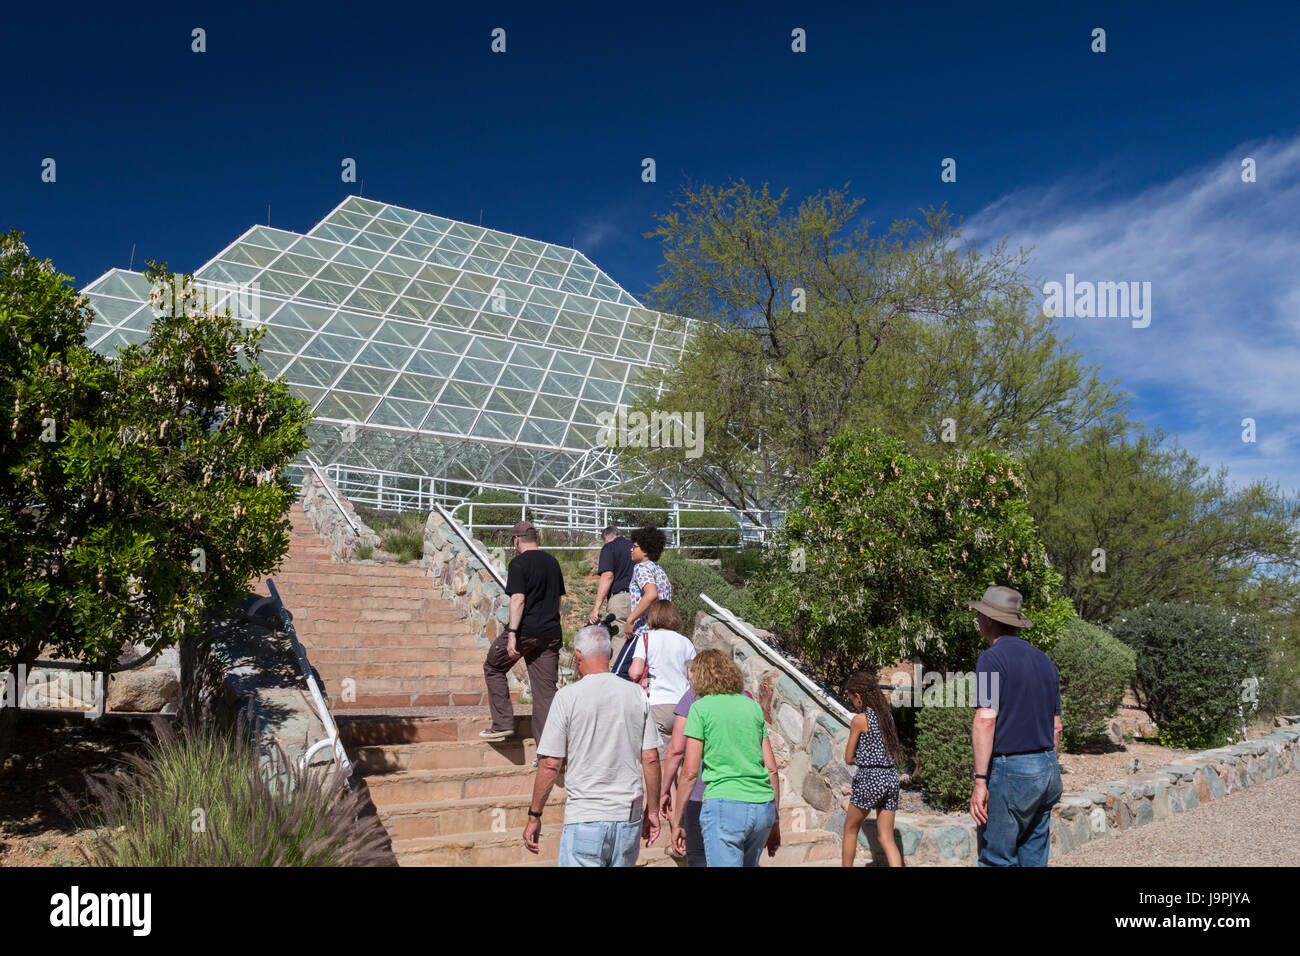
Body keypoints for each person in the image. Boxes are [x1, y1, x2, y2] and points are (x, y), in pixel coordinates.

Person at [523, 625, 662, 866]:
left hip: (586, 815)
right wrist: (652, 811)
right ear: (608, 655)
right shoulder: (636, 694)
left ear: (578, 657)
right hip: (627, 815)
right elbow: (650, 757)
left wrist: (535, 815)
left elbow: (550, 764)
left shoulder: (567, 697)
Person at [967, 585, 1063, 867]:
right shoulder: (1045, 661)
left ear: (989, 620)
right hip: (1047, 769)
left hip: (1012, 771)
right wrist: (1043, 768)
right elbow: (1056, 726)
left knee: (998, 859)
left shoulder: (991, 659)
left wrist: (980, 781)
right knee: (1033, 857)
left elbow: (986, 718)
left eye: (980, 615)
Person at [670, 649, 780, 867]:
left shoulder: (700, 708)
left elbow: (690, 772)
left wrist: (678, 820)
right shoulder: (752, 707)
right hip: (761, 806)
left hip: (724, 805)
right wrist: (775, 820)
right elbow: (772, 769)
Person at [480, 521, 565, 744]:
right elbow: (557, 602)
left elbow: (518, 599)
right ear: (536, 539)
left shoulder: (519, 563)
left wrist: (512, 634)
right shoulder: (553, 562)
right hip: (551, 633)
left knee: (493, 666)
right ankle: (548, 751)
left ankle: (502, 724)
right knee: (545, 692)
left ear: (516, 540)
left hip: (526, 631)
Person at [840, 671, 903, 867]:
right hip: (891, 777)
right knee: (887, 838)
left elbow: (848, 758)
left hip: (870, 778)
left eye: (852, 699)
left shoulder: (860, 720)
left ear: (858, 696)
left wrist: (862, 758)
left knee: (850, 830)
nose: (853, 703)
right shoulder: (887, 717)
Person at [629, 599, 696, 760]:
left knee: (660, 762)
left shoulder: (646, 638)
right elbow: (694, 677)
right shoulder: (686, 642)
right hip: (684, 706)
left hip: (657, 704)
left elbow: (635, 672)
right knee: (679, 760)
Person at [611, 526, 673, 681]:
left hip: (642, 632)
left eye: (635, 546)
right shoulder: (659, 570)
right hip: (662, 633)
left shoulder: (641, 568)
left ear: (645, 550)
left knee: (619, 675)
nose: (631, 549)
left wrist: (630, 620)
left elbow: (651, 594)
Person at [588, 525, 634, 659]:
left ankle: (617, 676)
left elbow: (608, 576)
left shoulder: (609, 547)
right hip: (640, 598)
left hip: (620, 598)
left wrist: (596, 608)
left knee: (619, 637)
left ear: (606, 537)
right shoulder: (634, 547)